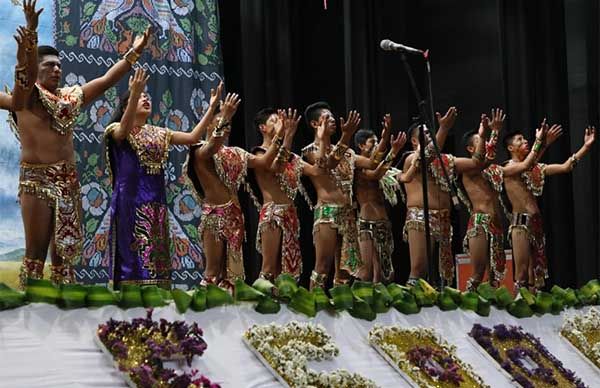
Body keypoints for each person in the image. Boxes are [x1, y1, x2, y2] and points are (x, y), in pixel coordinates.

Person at [11, 0, 151, 288]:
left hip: (68, 182)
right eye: (50, 66)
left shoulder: (69, 98)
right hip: (37, 181)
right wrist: (31, 34)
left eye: (60, 66)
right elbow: (21, 85)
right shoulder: (25, 99)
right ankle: (31, 311)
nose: (57, 70)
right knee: (35, 255)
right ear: (37, 69)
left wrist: (134, 52)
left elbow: (106, 80)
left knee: (65, 255)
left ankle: (63, 310)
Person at [104, 69, 222, 288]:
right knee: (132, 253)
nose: (146, 98)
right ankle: (130, 299)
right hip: (130, 203)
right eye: (140, 97)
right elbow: (123, 131)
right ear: (126, 106)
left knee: (156, 254)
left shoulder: (159, 133)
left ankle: (158, 298)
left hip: (156, 204)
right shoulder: (116, 129)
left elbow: (193, 137)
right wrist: (134, 91)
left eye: (147, 96)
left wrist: (211, 108)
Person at [185, 94, 285, 292]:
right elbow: (213, 146)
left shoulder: (235, 153)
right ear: (207, 126)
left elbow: (264, 163)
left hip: (235, 218)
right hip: (214, 217)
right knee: (212, 274)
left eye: (228, 124)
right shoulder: (199, 151)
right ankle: (206, 319)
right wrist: (226, 116)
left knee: (231, 278)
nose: (227, 126)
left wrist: (280, 136)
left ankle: (228, 318)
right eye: (221, 122)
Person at [302, 102, 398, 288]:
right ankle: (316, 311)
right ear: (315, 124)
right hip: (327, 213)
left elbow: (371, 164)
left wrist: (385, 139)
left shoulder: (348, 153)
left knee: (345, 271)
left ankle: (343, 312)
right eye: (326, 117)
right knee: (322, 267)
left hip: (348, 215)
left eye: (332, 117)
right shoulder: (309, 150)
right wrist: (345, 136)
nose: (332, 120)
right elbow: (325, 165)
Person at [503, 121, 595, 292]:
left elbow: (566, 167)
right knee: (522, 273)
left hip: (535, 224)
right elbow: (525, 165)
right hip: (520, 224)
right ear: (510, 148)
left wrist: (586, 147)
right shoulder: (508, 167)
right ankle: (519, 308)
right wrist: (542, 143)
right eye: (519, 140)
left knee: (535, 274)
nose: (525, 141)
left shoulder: (533, 168)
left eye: (525, 139)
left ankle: (534, 306)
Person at [402, 107, 490, 286]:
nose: (429, 135)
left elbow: (476, 162)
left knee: (444, 274)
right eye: (424, 133)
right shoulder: (411, 159)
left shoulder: (446, 160)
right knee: (419, 269)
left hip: (443, 221)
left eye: (430, 132)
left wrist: (483, 136)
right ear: (413, 140)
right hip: (420, 217)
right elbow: (427, 155)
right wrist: (444, 129)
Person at [251, 108, 323, 282]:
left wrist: (321, 139)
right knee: (269, 269)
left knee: (287, 273)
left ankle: (283, 305)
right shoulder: (259, 154)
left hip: (290, 215)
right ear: (263, 128)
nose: (280, 123)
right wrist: (288, 136)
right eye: (275, 121)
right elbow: (277, 166)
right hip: (273, 214)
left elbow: (316, 171)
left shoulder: (293, 157)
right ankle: (263, 304)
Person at [353, 114, 414, 283]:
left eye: (377, 143)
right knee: (366, 273)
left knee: (385, 275)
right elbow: (374, 174)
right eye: (373, 143)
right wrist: (391, 148)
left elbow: (406, 177)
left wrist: (418, 159)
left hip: (384, 223)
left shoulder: (385, 168)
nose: (376, 147)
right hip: (367, 223)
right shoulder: (358, 165)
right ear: (361, 145)